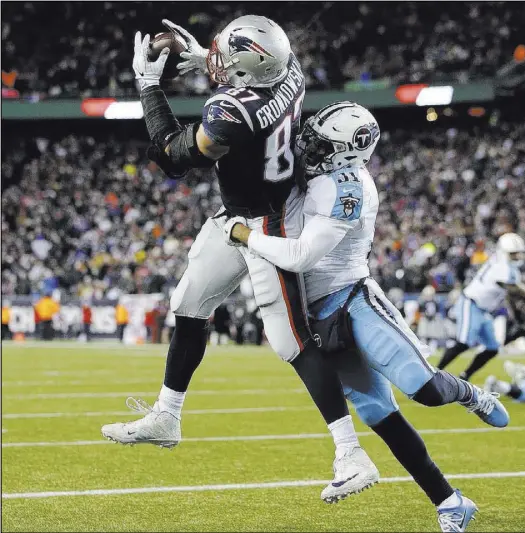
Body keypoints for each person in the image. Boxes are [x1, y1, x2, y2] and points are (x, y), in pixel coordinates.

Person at [102, 16, 377, 501]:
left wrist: (148, 85)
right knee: (188, 304)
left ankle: (351, 452)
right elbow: (252, 84)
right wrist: (202, 62)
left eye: (227, 58)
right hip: (237, 211)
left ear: (246, 71)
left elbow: (175, 155)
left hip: (265, 221)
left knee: (291, 341)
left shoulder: (229, 113)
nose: (219, 62)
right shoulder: (293, 71)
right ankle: (167, 415)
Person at [225, 102, 509, 530]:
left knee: (425, 390)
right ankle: (451, 502)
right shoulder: (314, 171)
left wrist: (244, 235)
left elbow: (302, 256)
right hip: (319, 315)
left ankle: (469, 393)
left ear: (348, 152)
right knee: (379, 416)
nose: (308, 146)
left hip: (353, 299)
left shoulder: (346, 186)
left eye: (321, 144)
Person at [436, 233, 525, 380]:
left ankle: (465, 376)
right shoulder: (502, 267)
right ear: (504, 252)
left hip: (483, 310)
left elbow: (509, 296)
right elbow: (518, 291)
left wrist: (516, 317)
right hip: (471, 303)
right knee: (464, 343)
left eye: (518, 253)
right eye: (513, 253)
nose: (517, 256)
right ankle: (432, 374)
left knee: (493, 348)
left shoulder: (507, 268)